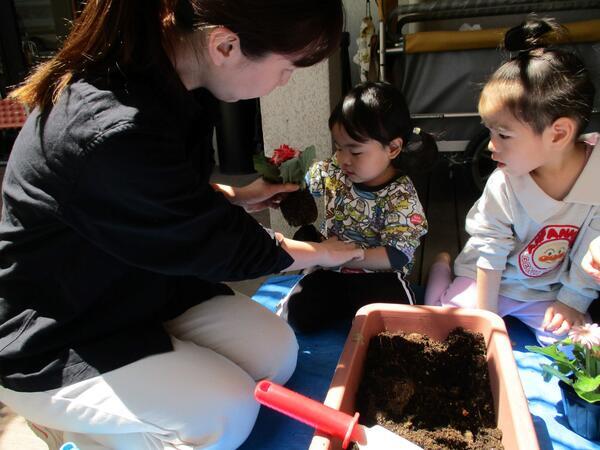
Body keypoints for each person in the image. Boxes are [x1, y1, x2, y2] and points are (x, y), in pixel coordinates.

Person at [0, 1, 365, 449]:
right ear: (225, 45)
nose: (285, 81)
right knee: (227, 416)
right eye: (288, 67)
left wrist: (231, 196)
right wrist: (323, 252)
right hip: (60, 329)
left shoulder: (175, 84)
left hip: (137, 289)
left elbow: (151, 199)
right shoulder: (108, 126)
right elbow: (224, 246)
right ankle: (76, 432)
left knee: (275, 354)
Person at [425, 18, 600, 345]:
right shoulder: (503, 183)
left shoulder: (597, 174)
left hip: (547, 289)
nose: (491, 145)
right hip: (486, 281)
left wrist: (571, 302)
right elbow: (490, 257)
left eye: (503, 134)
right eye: (489, 131)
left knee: (583, 348)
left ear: (558, 133)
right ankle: (441, 266)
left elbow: (592, 251)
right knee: (444, 330)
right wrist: (487, 323)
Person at [279, 81, 437, 332]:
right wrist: (285, 176)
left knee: (400, 324)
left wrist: (354, 255)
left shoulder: (401, 195)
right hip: (330, 271)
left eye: (355, 151)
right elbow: (307, 181)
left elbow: (397, 255)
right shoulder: (335, 170)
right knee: (295, 315)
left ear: (393, 148)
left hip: (379, 276)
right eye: (339, 148)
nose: (343, 159)